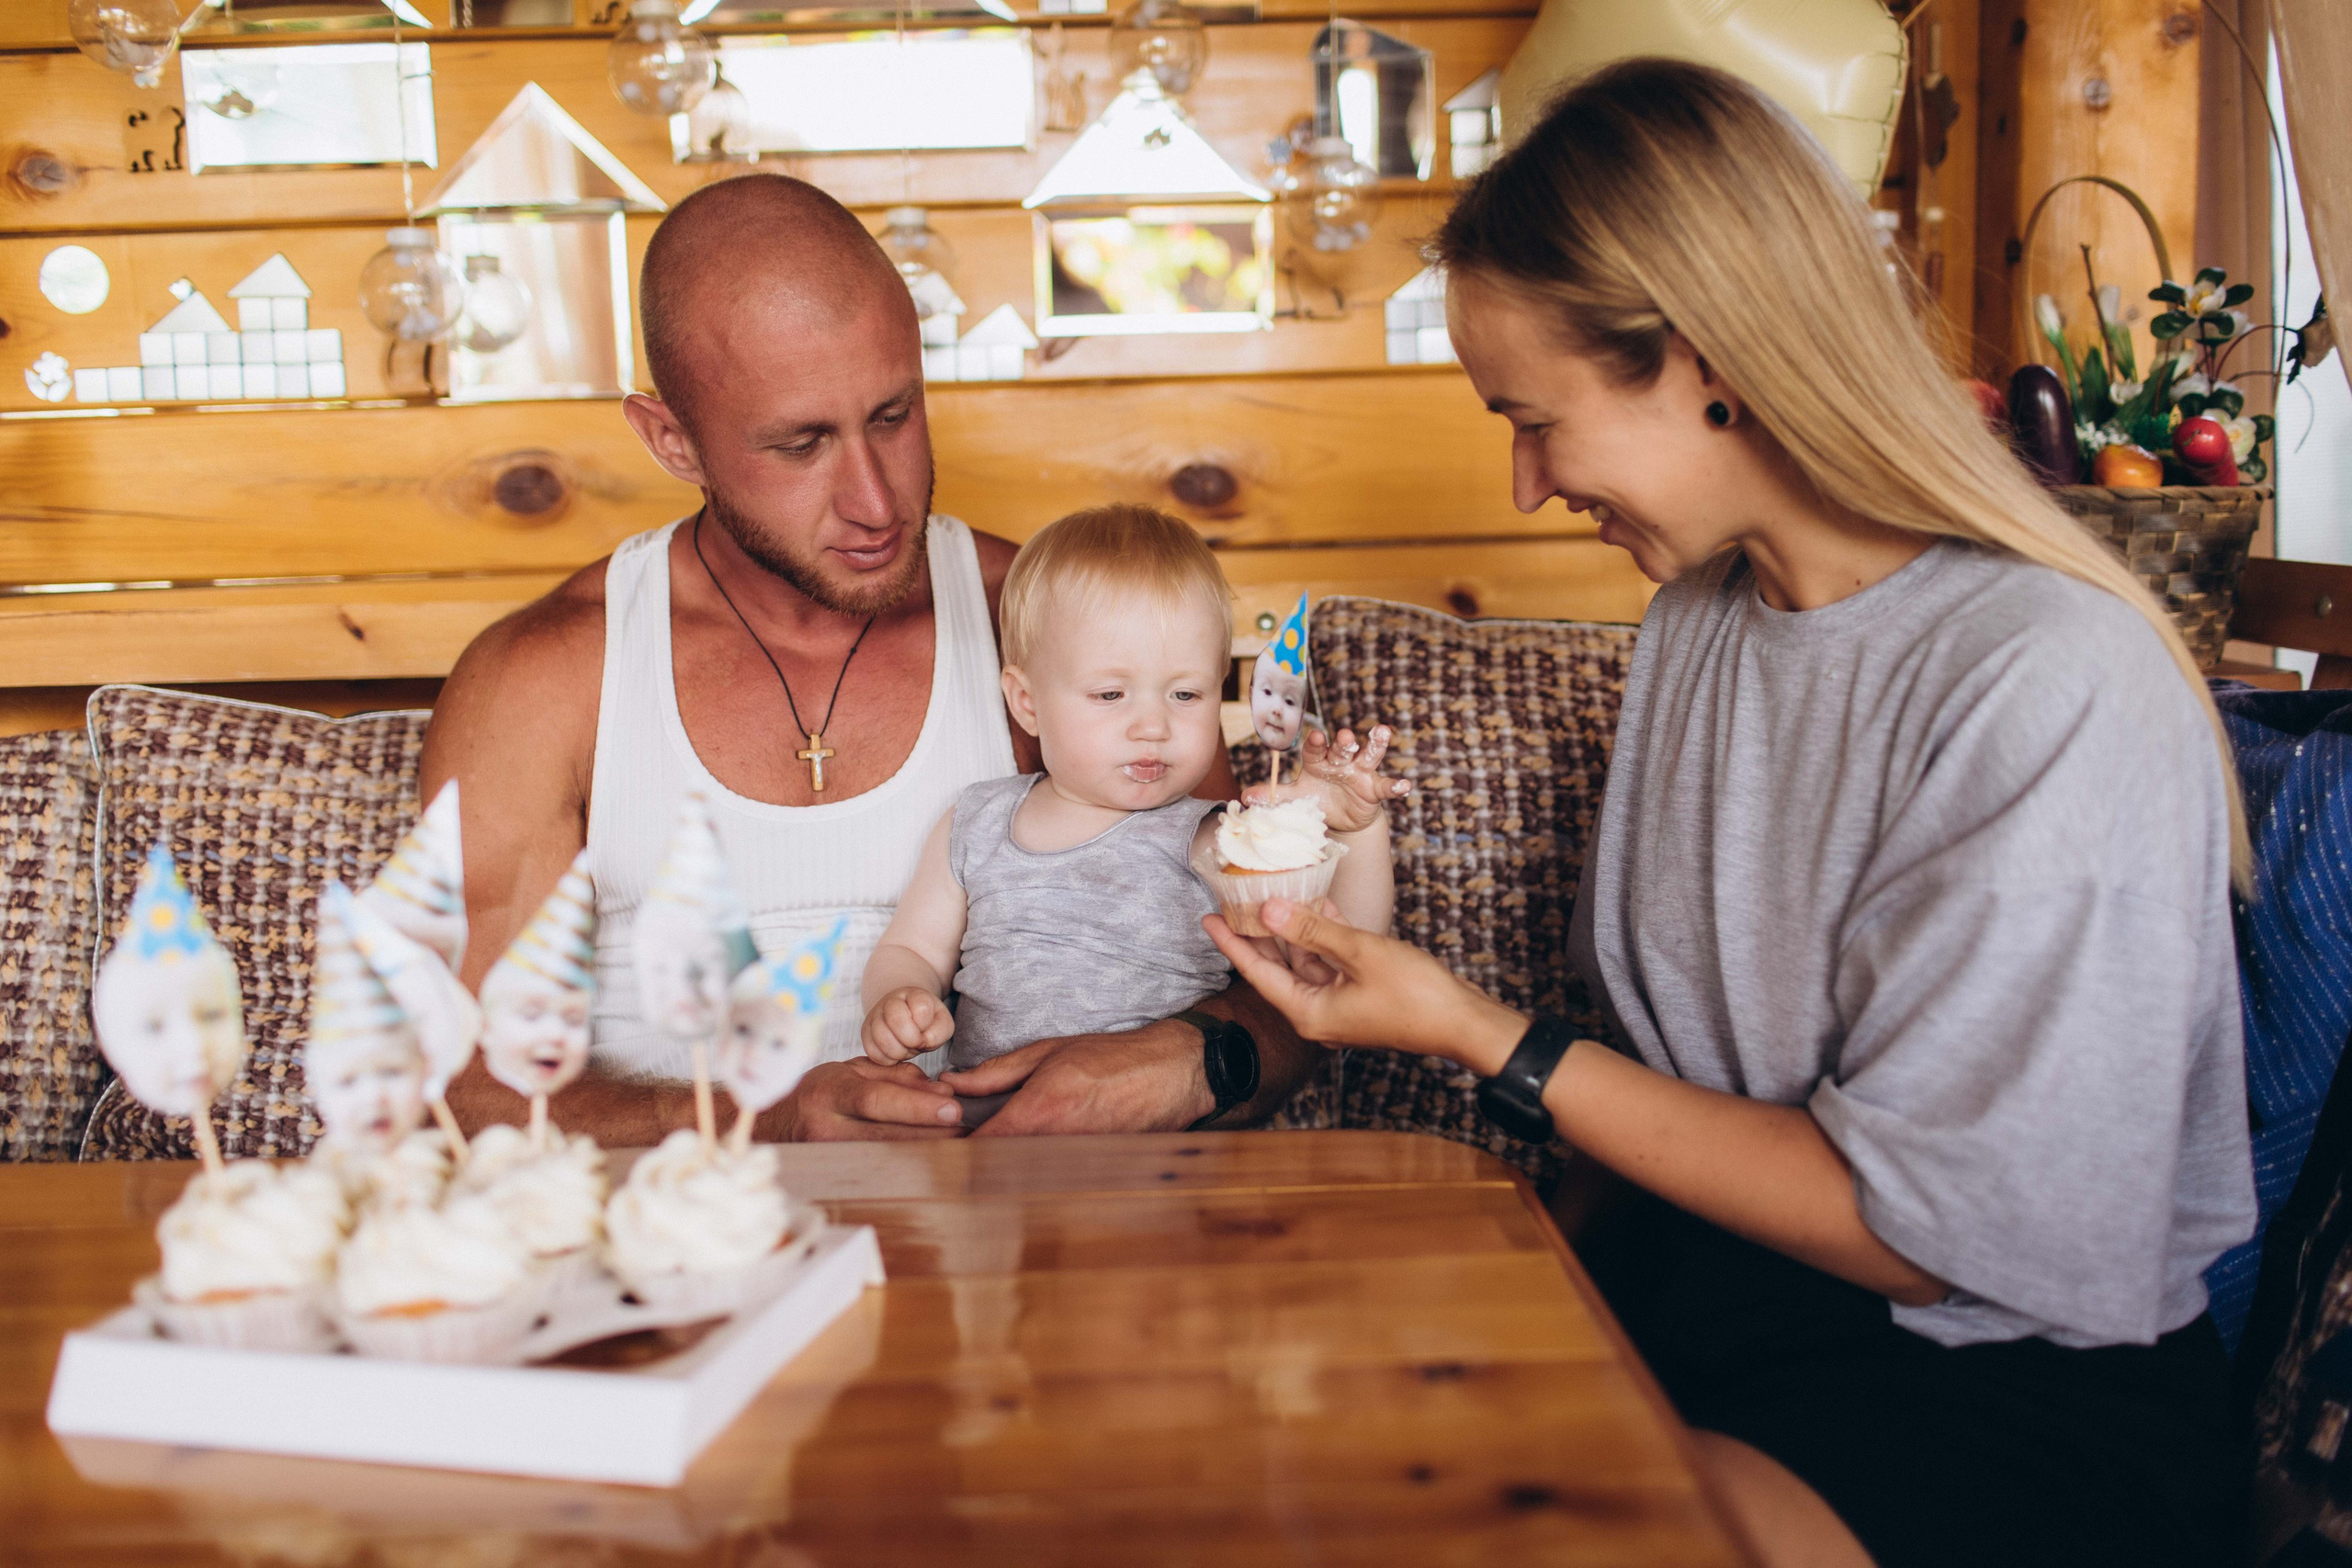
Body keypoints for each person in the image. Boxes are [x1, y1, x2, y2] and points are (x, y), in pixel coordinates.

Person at [1206, 59, 2256, 1568]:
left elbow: (1929, 1233)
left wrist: (1473, 1030)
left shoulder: (2046, 682)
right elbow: (1658, 1077)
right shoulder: (1709, 617)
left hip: (1989, 1393)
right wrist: (1518, 1301)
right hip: (1699, 1312)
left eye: (1534, 420)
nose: (1521, 487)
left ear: (1705, 360)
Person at [420, 174, 1315, 1145]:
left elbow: (1291, 981)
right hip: (677, 1257)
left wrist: (1195, 1058)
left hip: (1012, 1245)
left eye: (893, 416)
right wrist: (760, 1123)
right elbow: (458, 1085)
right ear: (671, 439)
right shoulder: (547, 676)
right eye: (801, 445)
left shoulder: (1045, 628)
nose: (878, 503)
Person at [858, 505, 1405, 1089]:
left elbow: (1347, 949)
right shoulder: (978, 822)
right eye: (1112, 693)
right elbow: (913, 947)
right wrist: (899, 1000)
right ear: (1027, 703)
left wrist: (1358, 830)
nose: (1154, 726)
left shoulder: (1221, 837)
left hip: (1169, 1142)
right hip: (991, 1133)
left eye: (1187, 694)